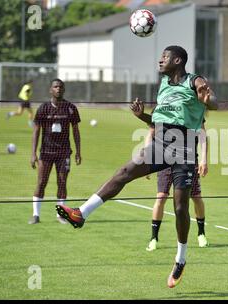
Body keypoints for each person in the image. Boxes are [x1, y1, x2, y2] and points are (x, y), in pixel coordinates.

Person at [56, 45, 218, 288]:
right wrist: (142, 116)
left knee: (181, 207)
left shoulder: (194, 81)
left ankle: (180, 259)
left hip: (184, 149)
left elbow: (213, 101)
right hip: (161, 144)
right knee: (124, 172)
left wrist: (209, 101)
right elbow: (158, 120)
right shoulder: (163, 85)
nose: (160, 60)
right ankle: (81, 214)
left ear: (177, 60)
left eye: (165, 57)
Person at [146, 121, 209, 252]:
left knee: (196, 197)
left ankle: (201, 233)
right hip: (165, 161)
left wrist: (204, 159)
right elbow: (150, 134)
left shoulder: (193, 109)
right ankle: (154, 238)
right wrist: (148, 159)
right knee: (161, 197)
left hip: (188, 160)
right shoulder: (162, 109)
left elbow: (202, 134)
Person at [29, 79, 81, 225]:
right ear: (50, 90)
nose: (58, 89)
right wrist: (33, 153)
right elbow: (36, 131)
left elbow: (76, 131)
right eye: (55, 87)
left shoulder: (70, 108)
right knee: (41, 182)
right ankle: (35, 215)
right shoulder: (44, 108)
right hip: (46, 152)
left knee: (62, 182)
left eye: (60, 87)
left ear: (64, 90)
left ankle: (60, 215)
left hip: (64, 152)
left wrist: (78, 151)